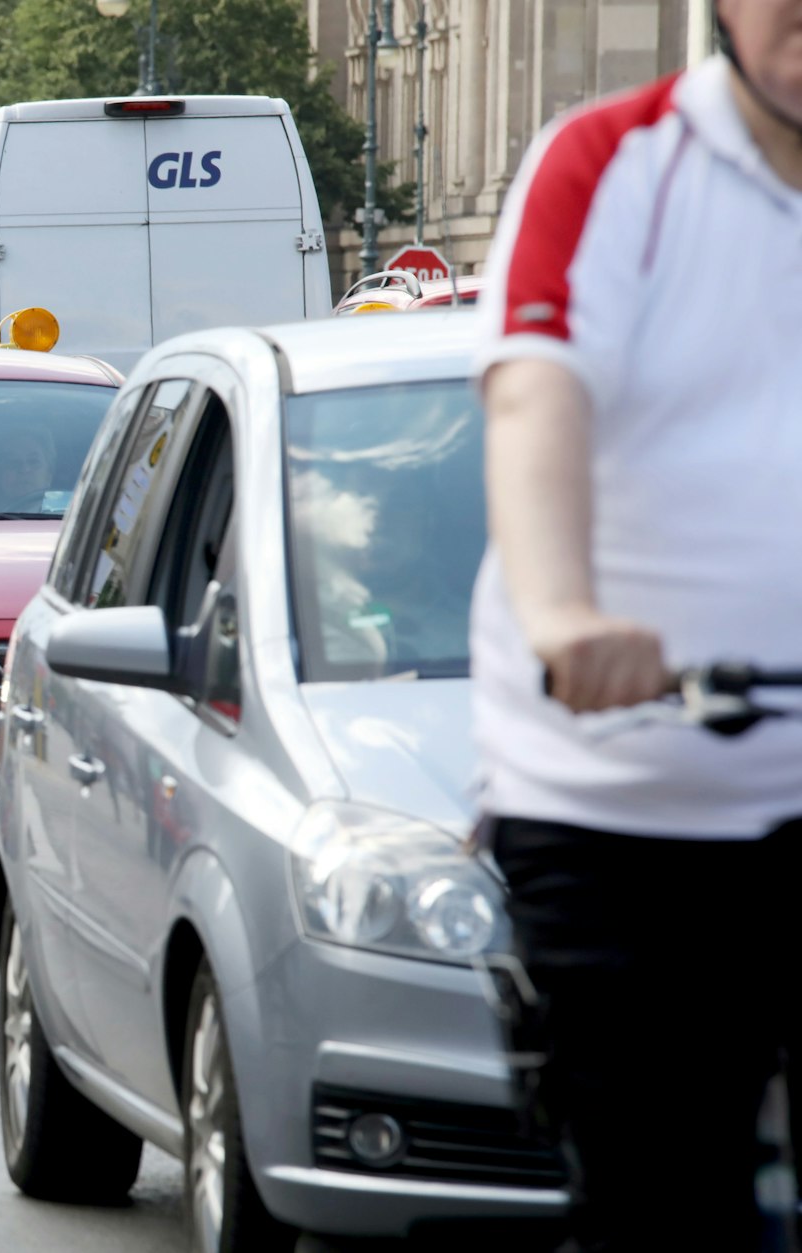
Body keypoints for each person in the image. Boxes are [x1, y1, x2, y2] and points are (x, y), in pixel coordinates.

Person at [471, 1, 802, 1248]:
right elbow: (533, 397)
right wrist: (562, 613)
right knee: (662, 1186)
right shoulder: (611, 165)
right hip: (622, 799)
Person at [0, 423, 56, 513]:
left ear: (48, 476)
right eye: (12, 462)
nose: (24, 469)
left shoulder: (68, 520)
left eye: (33, 461)